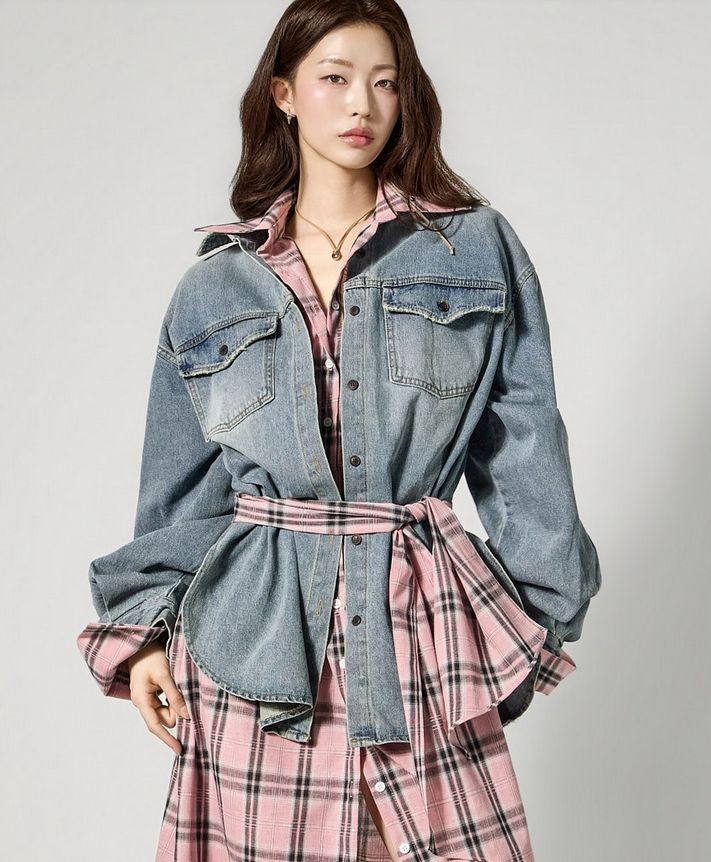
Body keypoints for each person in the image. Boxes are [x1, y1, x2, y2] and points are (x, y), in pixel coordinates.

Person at [76, 2, 602, 860]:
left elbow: (525, 440)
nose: (362, 103)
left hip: (416, 629)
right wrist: (143, 636)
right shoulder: (213, 288)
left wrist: (534, 620)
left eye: (384, 83)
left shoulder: (471, 247)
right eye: (334, 78)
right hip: (255, 647)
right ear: (283, 94)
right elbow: (180, 494)